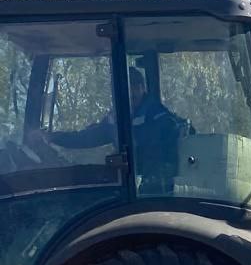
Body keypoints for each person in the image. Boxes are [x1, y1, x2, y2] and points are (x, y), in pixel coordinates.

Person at [44, 68, 186, 193]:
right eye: (126, 89)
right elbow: (87, 137)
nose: (131, 94)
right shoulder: (116, 117)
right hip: (132, 183)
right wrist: (53, 138)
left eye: (135, 87)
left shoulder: (158, 116)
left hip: (158, 186)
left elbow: (155, 148)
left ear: (142, 88)